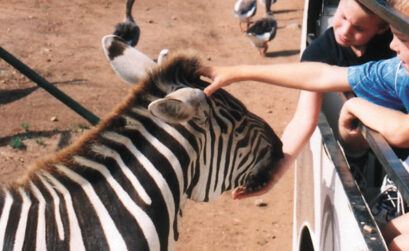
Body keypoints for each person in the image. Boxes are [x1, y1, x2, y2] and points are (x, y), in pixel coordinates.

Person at [200, 0, 409, 248]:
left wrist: (356, 107)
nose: (393, 46)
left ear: (381, 27)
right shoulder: (395, 70)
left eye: (403, 39)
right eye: (341, 17)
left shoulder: (395, 65)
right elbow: (318, 79)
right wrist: (237, 72)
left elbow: (402, 131)